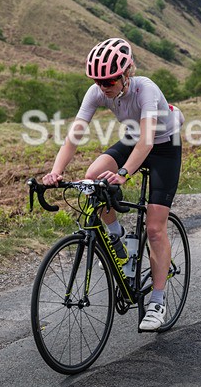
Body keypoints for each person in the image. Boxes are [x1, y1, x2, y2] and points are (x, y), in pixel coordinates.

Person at [42, 37, 182, 331]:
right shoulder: (96, 93)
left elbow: (147, 141)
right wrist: (55, 172)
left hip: (164, 146)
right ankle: (117, 236)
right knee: (93, 177)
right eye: (99, 81)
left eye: (109, 80)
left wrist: (124, 173)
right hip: (134, 140)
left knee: (155, 227)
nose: (104, 86)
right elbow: (74, 136)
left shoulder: (147, 90)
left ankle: (157, 301)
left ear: (126, 73)